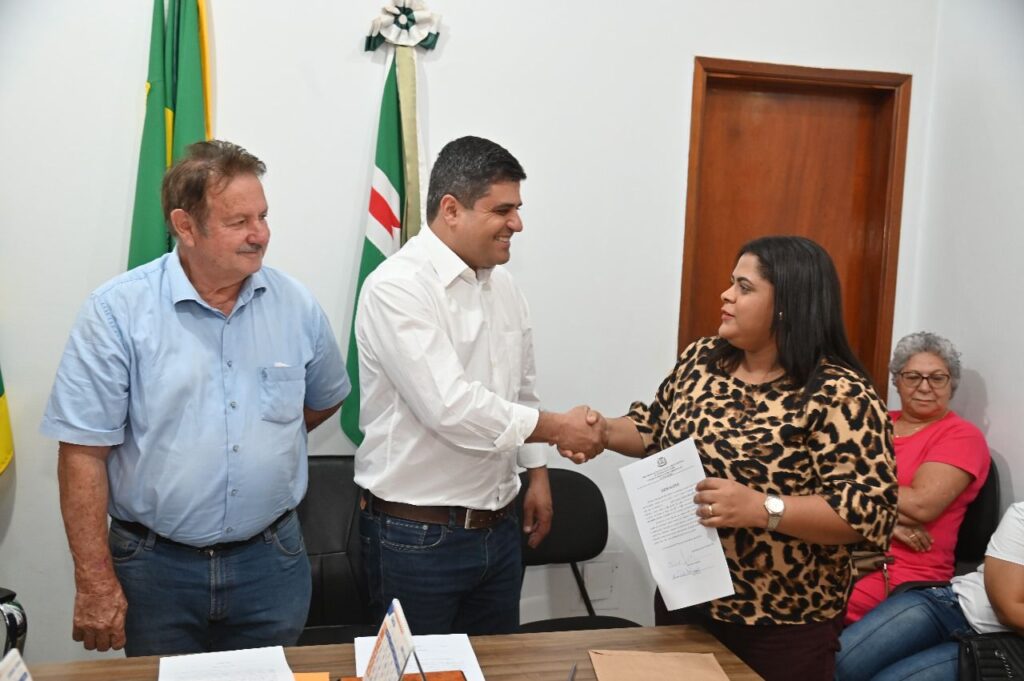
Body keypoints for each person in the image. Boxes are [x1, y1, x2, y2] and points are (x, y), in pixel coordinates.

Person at [40, 140, 349, 656]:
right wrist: (95, 582)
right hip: (156, 569)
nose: (260, 235)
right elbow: (82, 453)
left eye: (263, 217)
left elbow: (323, 399)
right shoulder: (117, 313)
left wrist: (262, 443)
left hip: (271, 564)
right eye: (239, 222)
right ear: (185, 226)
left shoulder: (295, 305)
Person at [590, 236, 897, 681]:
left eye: (744, 287)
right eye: (731, 283)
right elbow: (654, 428)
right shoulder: (702, 360)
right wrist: (601, 431)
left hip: (783, 622)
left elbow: (866, 513)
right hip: (687, 598)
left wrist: (761, 508)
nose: (726, 295)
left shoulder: (840, 393)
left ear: (787, 305)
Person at [354, 136, 605, 635]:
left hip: (499, 528)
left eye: (518, 209)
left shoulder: (504, 286)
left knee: (497, 668)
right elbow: (451, 408)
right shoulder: (397, 288)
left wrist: (536, 473)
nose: (517, 224)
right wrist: (559, 428)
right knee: (421, 670)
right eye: (502, 210)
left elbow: (522, 390)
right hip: (416, 537)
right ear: (451, 209)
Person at [845, 331, 990, 623]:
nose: (925, 387)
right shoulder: (874, 422)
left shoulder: (961, 436)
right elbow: (812, 482)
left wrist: (848, 486)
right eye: (912, 377)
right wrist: (886, 523)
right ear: (897, 381)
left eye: (937, 378)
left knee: (805, 611)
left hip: (902, 575)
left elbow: (921, 505)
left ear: (951, 384)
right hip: (842, 552)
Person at [836, 502, 1024, 681]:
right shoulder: (1021, 513)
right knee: (835, 666)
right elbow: (1007, 606)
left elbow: (1010, 614)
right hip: (952, 604)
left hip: (1008, 649)